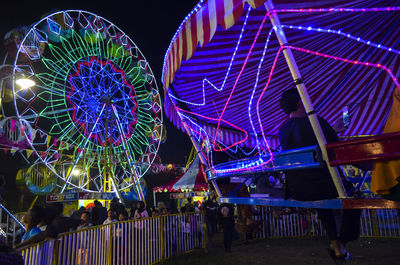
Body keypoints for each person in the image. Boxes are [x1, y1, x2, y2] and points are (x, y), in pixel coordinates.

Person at [278, 88, 361, 260]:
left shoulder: (282, 130)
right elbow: (337, 150)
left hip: (296, 189)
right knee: (356, 198)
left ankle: (334, 242)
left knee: (322, 203)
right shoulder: (317, 123)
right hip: (322, 186)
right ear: (302, 103)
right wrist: (335, 129)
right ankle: (341, 242)